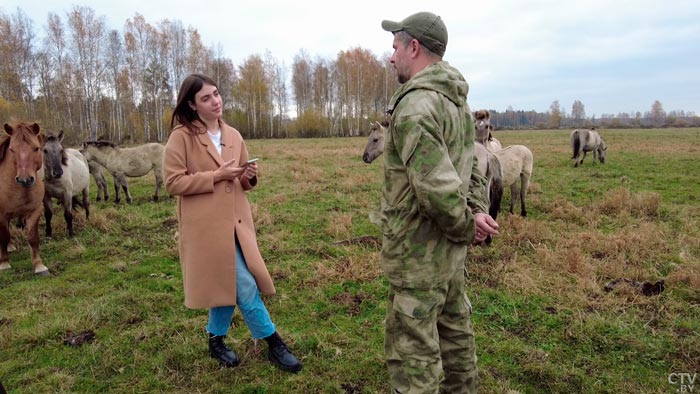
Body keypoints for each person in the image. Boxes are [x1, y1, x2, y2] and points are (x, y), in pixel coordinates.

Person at [375, 11, 500, 393]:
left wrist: (466, 223)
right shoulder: (457, 102)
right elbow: (473, 165)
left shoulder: (415, 106)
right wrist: (477, 212)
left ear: (414, 47)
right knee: (455, 328)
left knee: (414, 350)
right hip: (449, 254)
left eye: (395, 46)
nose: (390, 56)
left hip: (419, 253)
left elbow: (437, 187)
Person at [163, 73, 302, 373]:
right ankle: (273, 343)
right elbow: (173, 183)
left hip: (238, 224)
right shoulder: (182, 137)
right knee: (244, 284)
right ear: (192, 104)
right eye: (206, 98)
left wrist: (247, 177)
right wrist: (216, 176)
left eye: (216, 94)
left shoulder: (234, 135)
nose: (215, 101)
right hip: (205, 230)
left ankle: (215, 341)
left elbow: (242, 179)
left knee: (225, 283)